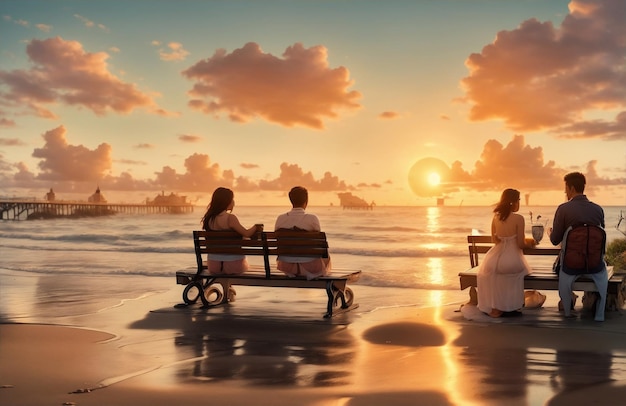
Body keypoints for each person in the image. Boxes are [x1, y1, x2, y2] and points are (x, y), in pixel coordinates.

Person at [549, 172, 607, 321]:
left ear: (572, 188)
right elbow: (599, 239)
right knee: (603, 267)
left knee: (558, 267)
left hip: (570, 266)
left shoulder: (563, 209)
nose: (565, 192)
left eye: (566, 188)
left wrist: (551, 233)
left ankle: (568, 307)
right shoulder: (598, 210)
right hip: (595, 265)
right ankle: (598, 313)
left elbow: (555, 240)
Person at [477, 188, 536, 318]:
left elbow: (495, 240)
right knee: (520, 272)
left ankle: (498, 306)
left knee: (498, 275)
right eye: (519, 200)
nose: (519, 203)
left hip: (493, 259)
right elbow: (520, 244)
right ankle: (510, 305)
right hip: (511, 258)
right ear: (513, 202)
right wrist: (531, 244)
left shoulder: (496, 217)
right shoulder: (518, 218)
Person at [200, 187, 262, 275]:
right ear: (226, 201)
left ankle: (227, 288)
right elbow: (247, 233)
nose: (233, 202)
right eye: (232, 199)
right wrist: (256, 227)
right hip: (232, 265)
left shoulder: (209, 219)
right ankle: (228, 288)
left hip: (214, 265)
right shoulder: (230, 218)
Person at [274, 186, 331, 279]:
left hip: (286, 266)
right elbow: (318, 245)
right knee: (325, 255)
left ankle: (296, 270)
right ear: (306, 201)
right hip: (311, 266)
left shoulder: (280, 219)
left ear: (291, 200)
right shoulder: (312, 219)